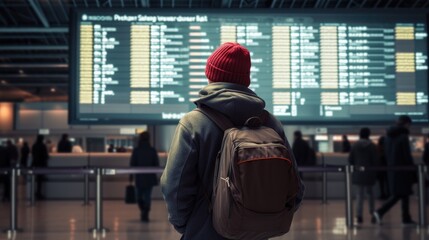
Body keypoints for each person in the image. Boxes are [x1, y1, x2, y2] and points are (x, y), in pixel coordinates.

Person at [161, 42, 304, 239]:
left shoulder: (193, 122)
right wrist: (260, 221)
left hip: (204, 232)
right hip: (256, 235)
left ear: (210, 75)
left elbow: (175, 186)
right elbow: (295, 186)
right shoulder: (271, 124)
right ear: (245, 80)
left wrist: (189, 225)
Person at [373, 115, 416, 225]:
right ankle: (380, 211)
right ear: (406, 124)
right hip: (403, 169)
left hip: (392, 169)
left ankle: (406, 218)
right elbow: (407, 156)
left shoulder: (388, 137)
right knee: (400, 194)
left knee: (404, 193)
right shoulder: (403, 136)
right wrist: (412, 168)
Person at [348, 128, 377, 224]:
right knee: (370, 194)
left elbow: (350, 159)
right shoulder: (372, 146)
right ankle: (372, 213)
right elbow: (375, 160)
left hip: (358, 173)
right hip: (369, 173)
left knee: (359, 195)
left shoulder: (355, 145)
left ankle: (359, 215)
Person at [129, 131, 160, 222]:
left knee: (139, 196)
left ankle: (143, 210)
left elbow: (132, 163)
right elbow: (156, 164)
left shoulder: (136, 150)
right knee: (147, 196)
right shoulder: (152, 150)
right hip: (150, 177)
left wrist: (131, 176)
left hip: (139, 177)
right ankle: (145, 212)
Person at [31, 135, 50, 200]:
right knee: (40, 180)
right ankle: (39, 193)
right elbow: (45, 156)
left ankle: (35, 193)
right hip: (41, 165)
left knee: (36, 179)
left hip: (35, 164)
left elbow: (33, 154)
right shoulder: (43, 146)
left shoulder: (34, 145)